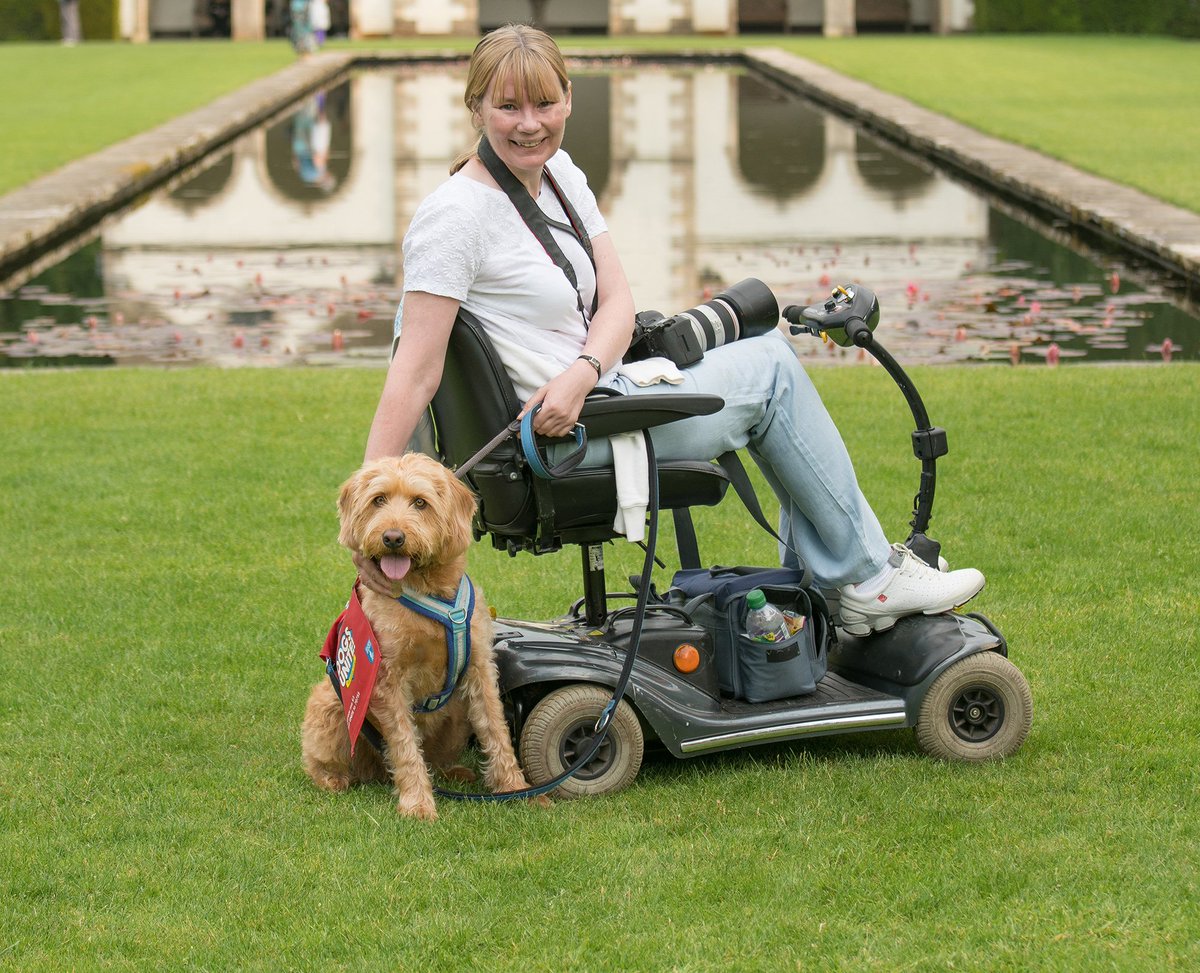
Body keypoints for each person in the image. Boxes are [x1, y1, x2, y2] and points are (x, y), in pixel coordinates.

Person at [358, 24, 985, 635]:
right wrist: (373, 512)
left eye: (545, 104)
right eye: (509, 106)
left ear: (569, 100)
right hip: (565, 438)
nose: (530, 123)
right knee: (770, 373)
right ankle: (867, 580)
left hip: (594, 396)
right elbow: (414, 369)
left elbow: (618, 300)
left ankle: (835, 581)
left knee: (759, 347)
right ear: (476, 107)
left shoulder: (559, 175)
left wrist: (583, 371)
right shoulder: (456, 216)